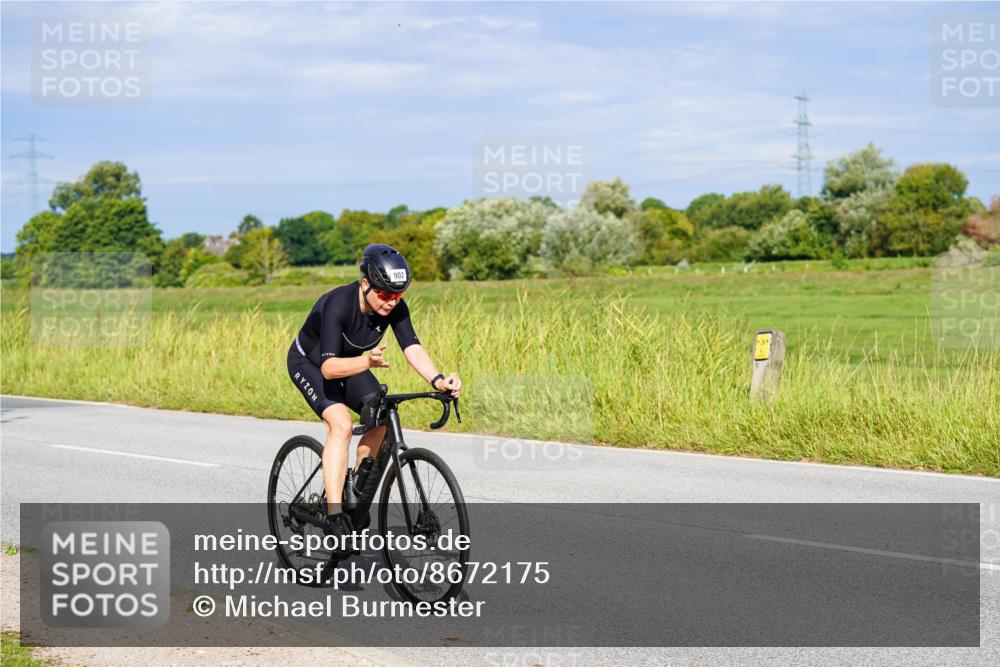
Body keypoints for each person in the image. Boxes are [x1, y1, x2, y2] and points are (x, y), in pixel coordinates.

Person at [287, 243, 461, 540]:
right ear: (365, 283)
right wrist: (367, 361)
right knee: (340, 424)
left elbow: (412, 347)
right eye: (384, 294)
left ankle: (355, 489)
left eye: (398, 295)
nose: (391, 302)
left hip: (352, 364)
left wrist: (438, 380)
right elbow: (329, 370)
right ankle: (335, 515)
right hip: (312, 364)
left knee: (380, 415)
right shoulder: (338, 304)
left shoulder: (393, 304)